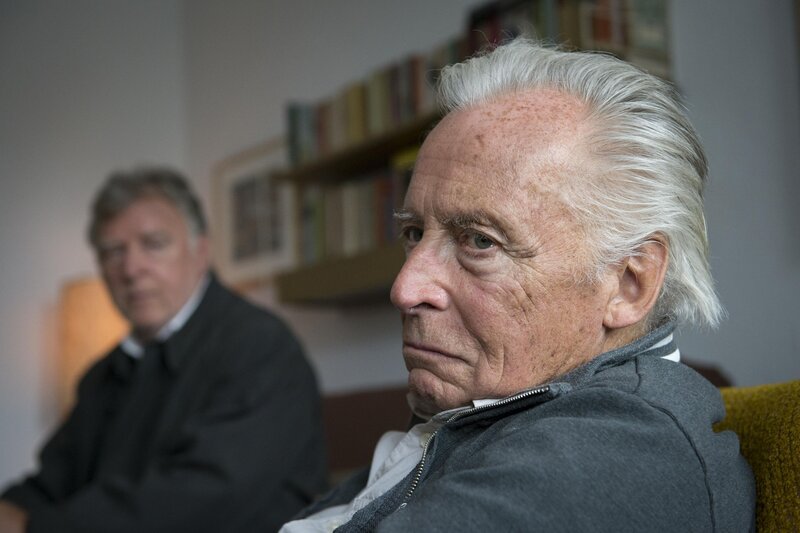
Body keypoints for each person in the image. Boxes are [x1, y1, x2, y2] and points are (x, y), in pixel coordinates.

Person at [281, 39, 755, 531]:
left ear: (629, 283)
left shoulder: (622, 454)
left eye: (480, 242)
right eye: (415, 233)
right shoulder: (478, 411)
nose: (405, 288)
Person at [0, 168, 328, 533]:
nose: (131, 268)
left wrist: (34, 527)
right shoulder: (102, 375)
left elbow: (198, 501)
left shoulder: (261, 347)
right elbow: (51, 484)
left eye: (154, 244)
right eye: (113, 252)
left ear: (200, 251)